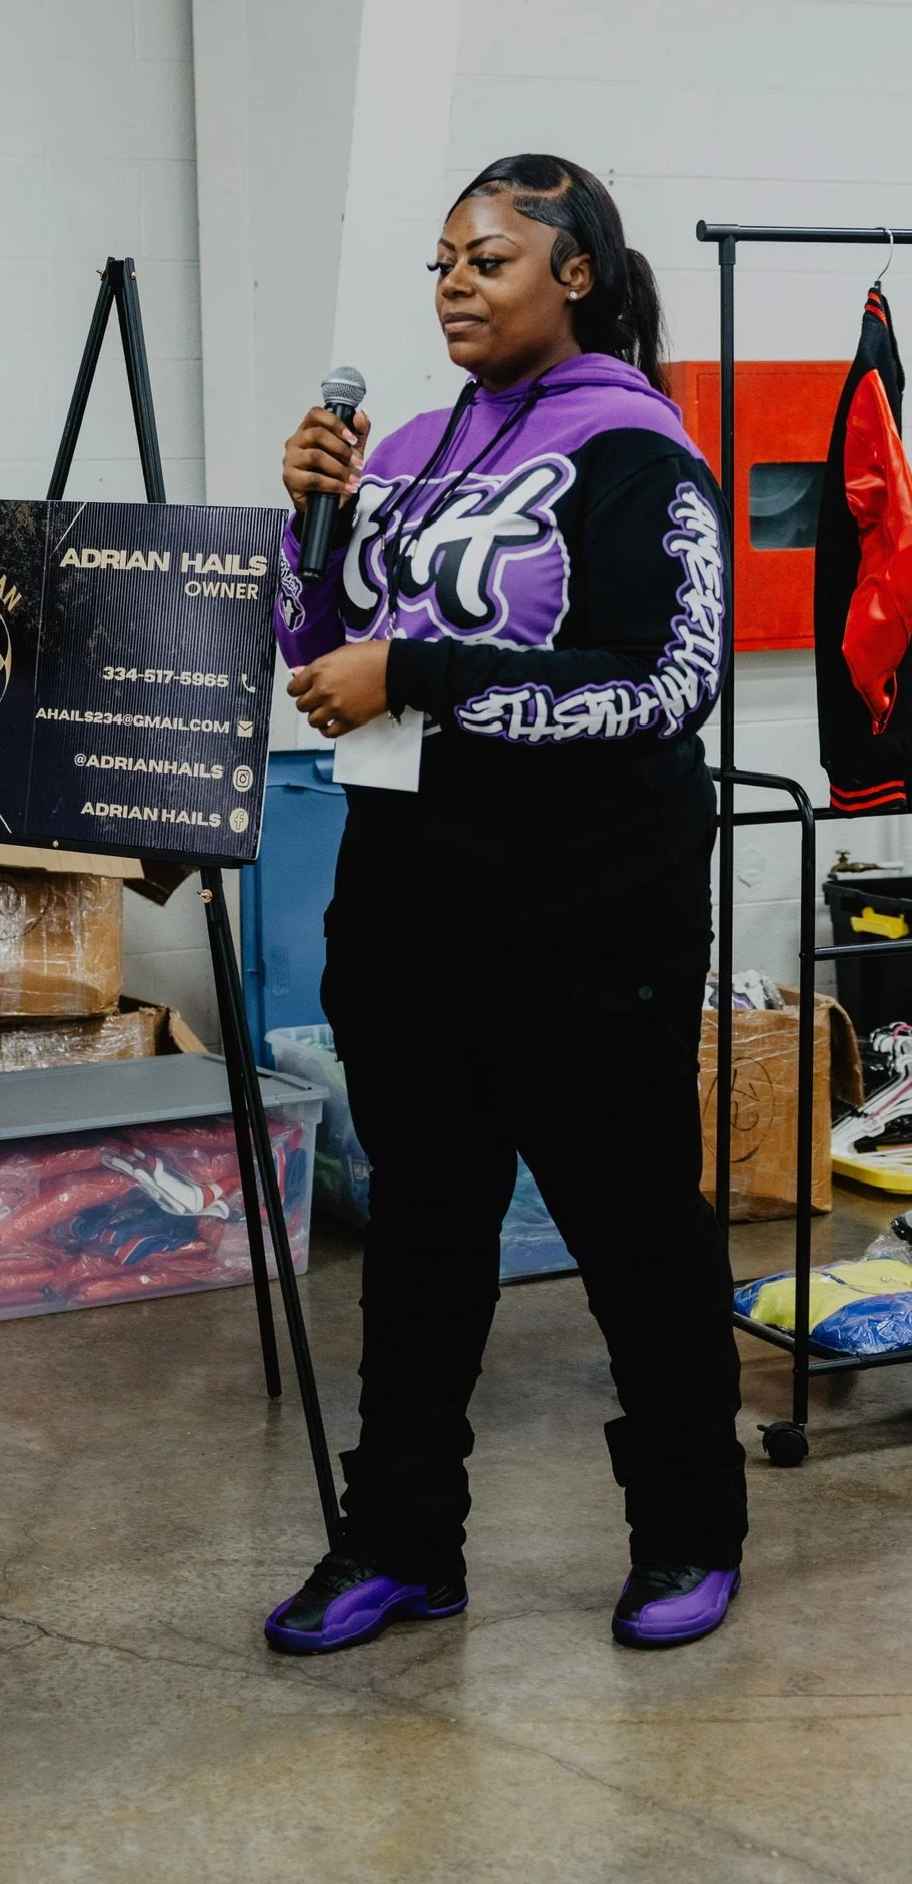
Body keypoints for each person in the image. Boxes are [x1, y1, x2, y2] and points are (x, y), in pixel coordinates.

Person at [263, 155, 745, 1660]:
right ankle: (402, 1541)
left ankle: (685, 1529)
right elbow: (313, 646)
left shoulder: (635, 455)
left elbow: (667, 689)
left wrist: (417, 675)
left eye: (489, 257)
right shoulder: (406, 445)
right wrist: (319, 525)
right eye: (440, 262)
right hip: (412, 907)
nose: (454, 282)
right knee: (418, 1231)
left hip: (590, 919)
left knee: (630, 1231)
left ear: (577, 274)